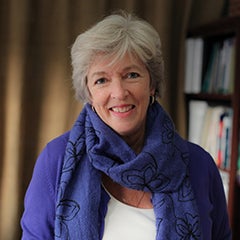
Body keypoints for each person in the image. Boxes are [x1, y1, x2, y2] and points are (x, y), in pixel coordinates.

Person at [21, 11, 231, 240]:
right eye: (102, 80)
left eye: (131, 75)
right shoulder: (56, 160)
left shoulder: (200, 166)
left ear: (152, 84)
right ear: (89, 93)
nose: (119, 93)